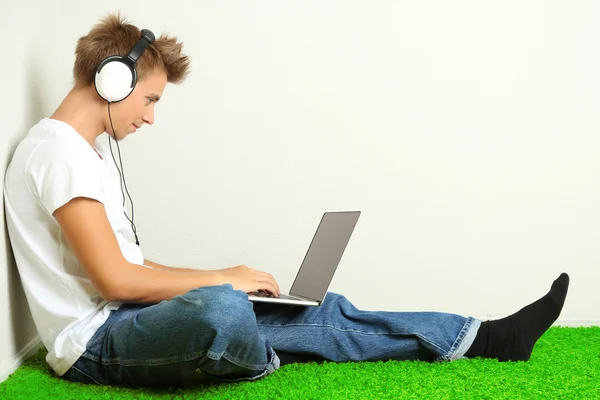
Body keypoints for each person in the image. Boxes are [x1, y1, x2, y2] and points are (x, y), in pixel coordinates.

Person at [4, 13, 570, 388]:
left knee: (311, 308)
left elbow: (134, 268)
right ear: (111, 82)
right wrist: (223, 282)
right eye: (149, 99)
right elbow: (116, 284)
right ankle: (260, 349)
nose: (150, 116)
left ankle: (491, 336)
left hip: (132, 318)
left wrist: (229, 276)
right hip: (94, 344)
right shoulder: (56, 152)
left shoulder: (86, 154)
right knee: (225, 308)